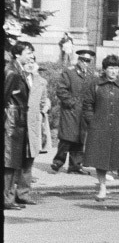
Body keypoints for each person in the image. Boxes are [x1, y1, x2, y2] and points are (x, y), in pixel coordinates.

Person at [84, 55, 119, 201]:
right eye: (110, 68)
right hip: (100, 128)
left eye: (116, 68)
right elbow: (88, 105)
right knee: (101, 160)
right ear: (105, 69)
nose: (113, 71)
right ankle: (102, 189)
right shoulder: (95, 84)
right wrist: (92, 121)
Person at [3, 43, 50, 210]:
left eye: (32, 53)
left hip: (17, 121)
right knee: (9, 162)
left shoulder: (18, 70)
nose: (31, 56)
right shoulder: (12, 72)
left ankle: (10, 197)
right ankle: (6, 200)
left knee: (14, 161)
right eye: (28, 53)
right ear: (18, 55)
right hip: (12, 122)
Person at [51, 48, 97, 174]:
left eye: (88, 60)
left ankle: (75, 165)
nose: (85, 63)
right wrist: (71, 102)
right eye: (83, 60)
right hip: (70, 110)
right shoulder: (69, 72)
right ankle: (58, 162)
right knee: (67, 137)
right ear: (79, 60)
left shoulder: (91, 75)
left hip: (84, 110)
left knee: (80, 138)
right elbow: (61, 90)